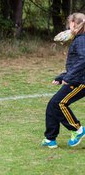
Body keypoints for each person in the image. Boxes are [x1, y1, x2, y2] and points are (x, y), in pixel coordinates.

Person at [42, 12, 85, 148]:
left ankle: (77, 130)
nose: (68, 27)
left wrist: (68, 77)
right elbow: (76, 64)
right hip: (76, 79)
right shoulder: (79, 39)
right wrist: (62, 77)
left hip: (81, 82)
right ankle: (50, 139)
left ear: (74, 24)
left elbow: (83, 60)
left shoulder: (81, 40)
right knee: (52, 105)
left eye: (69, 24)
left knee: (59, 103)